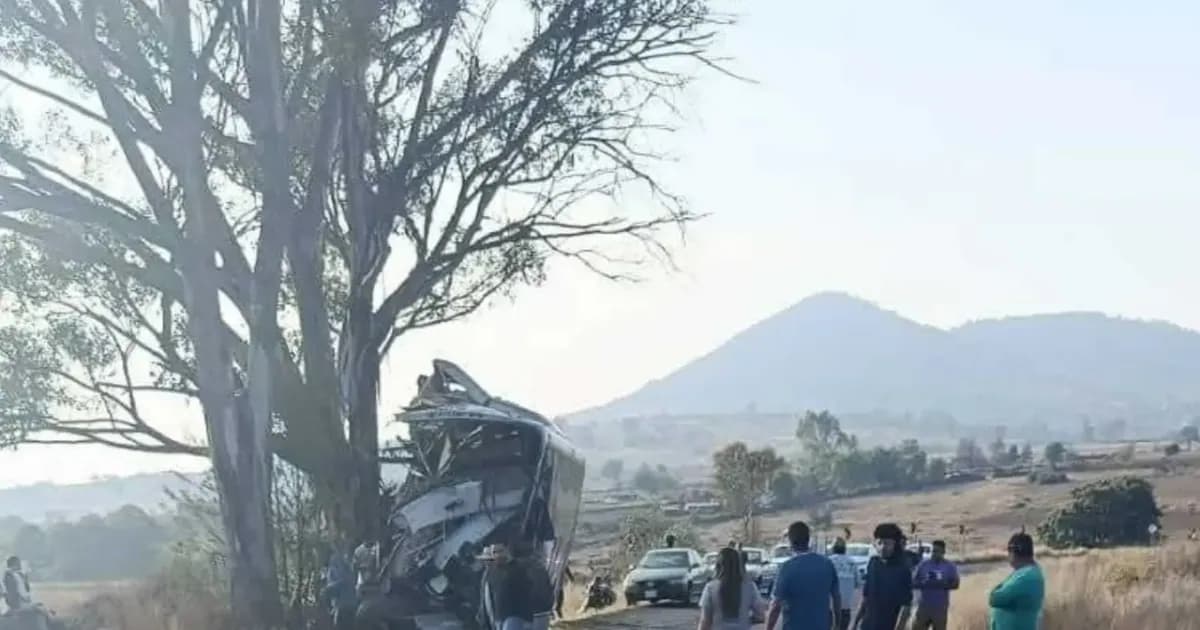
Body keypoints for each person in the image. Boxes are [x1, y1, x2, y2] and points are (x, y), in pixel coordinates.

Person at [766, 521, 840, 630]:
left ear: (791, 542)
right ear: (808, 539)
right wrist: (837, 624)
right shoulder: (827, 564)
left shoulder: (787, 568)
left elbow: (776, 605)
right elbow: (836, 597)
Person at [853, 523, 912, 630]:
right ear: (875, 543)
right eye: (880, 543)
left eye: (888, 543)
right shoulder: (873, 563)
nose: (883, 547)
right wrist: (854, 623)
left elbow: (906, 607)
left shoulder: (903, 569)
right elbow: (865, 597)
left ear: (895, 545)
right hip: (867, 625)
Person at [698, 547, 765, 630]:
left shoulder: (710, 588)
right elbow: (760, 616)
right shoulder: (750, 586)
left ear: (718, 565)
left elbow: (705, 620)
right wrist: (746, 620)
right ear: (739, 564)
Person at [988, 533, 1044, 630]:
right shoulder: (1025, 573)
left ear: (1015, 551)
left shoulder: (1027, 577)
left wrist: (995, 589)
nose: (1008, 556)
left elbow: (995, 599)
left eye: (1009, 552)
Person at [912, 540, 959, 630]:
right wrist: (925, 583)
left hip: (940, 608)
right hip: (924, 606)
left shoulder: (950, 566)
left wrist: (942, 584)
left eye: (937, 551)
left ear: (943, 552)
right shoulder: (923, 565)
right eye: (933, 551)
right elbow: (913, 583)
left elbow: (956, 584)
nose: (934, 553)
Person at [321, 544, 358, 630]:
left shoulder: (335, 562)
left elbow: (344, 581)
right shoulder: (335, 563)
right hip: (346, 605)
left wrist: (328, 590)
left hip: (344, 606)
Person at [827, 539, 860, 630]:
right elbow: (858, 583)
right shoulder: (852, 562)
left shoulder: (828, 562)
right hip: (846, 607)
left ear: (833, 549)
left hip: (830, 607)